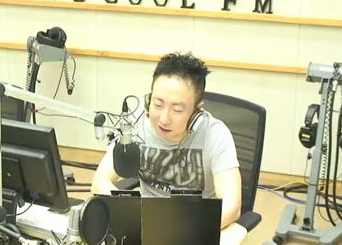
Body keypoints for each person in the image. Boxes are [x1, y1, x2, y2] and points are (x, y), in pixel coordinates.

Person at [91, 52, 242, 229]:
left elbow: (232, 207)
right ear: (148, 100)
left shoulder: (215, 135)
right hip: (146, 224)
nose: (163, 119)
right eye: (158, 104)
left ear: (197, 111)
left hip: (195, 227)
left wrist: (186, 231)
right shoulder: (134, 123)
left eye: (177, 109)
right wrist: (133, 214)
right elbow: (99, 182)